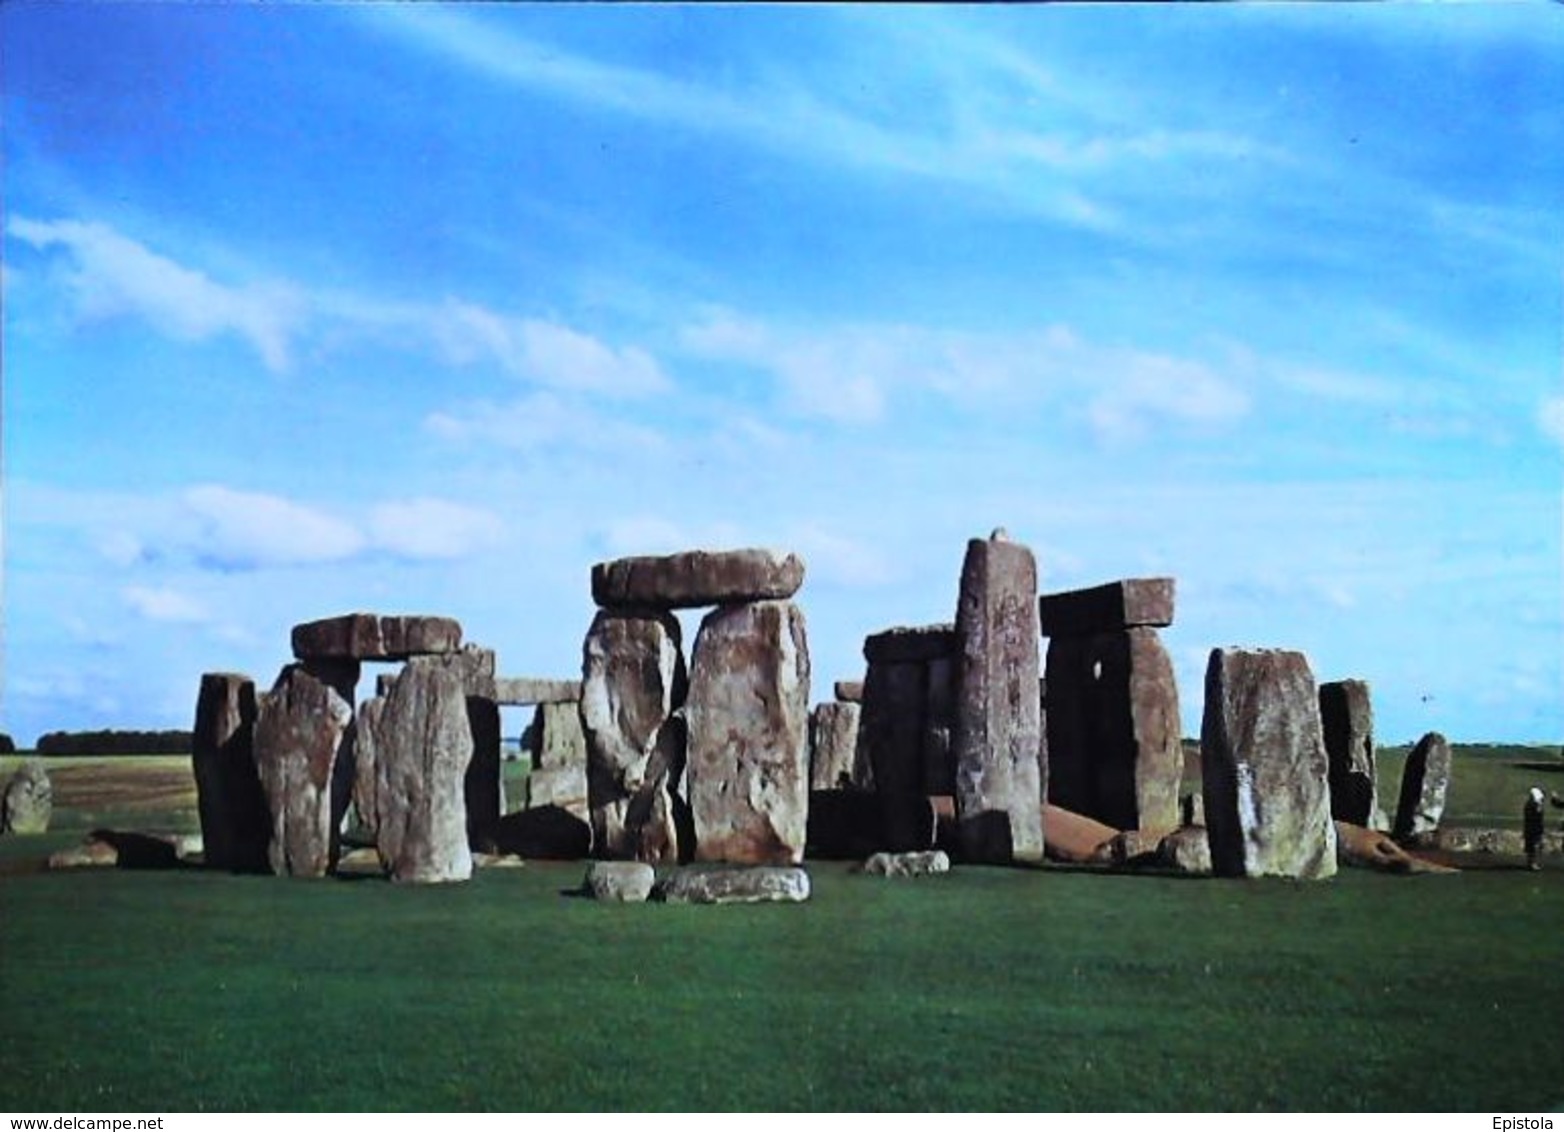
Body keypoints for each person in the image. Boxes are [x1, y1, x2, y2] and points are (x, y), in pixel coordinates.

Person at [1524, 786, 1546, 871]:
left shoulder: (1529, 804)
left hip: (1530, 828)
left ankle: (1531, 863)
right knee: (1534, 846)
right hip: (1534, 829)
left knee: (1531, 847)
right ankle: (1532, 863)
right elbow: (1537, 815)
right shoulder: (1535, 805)